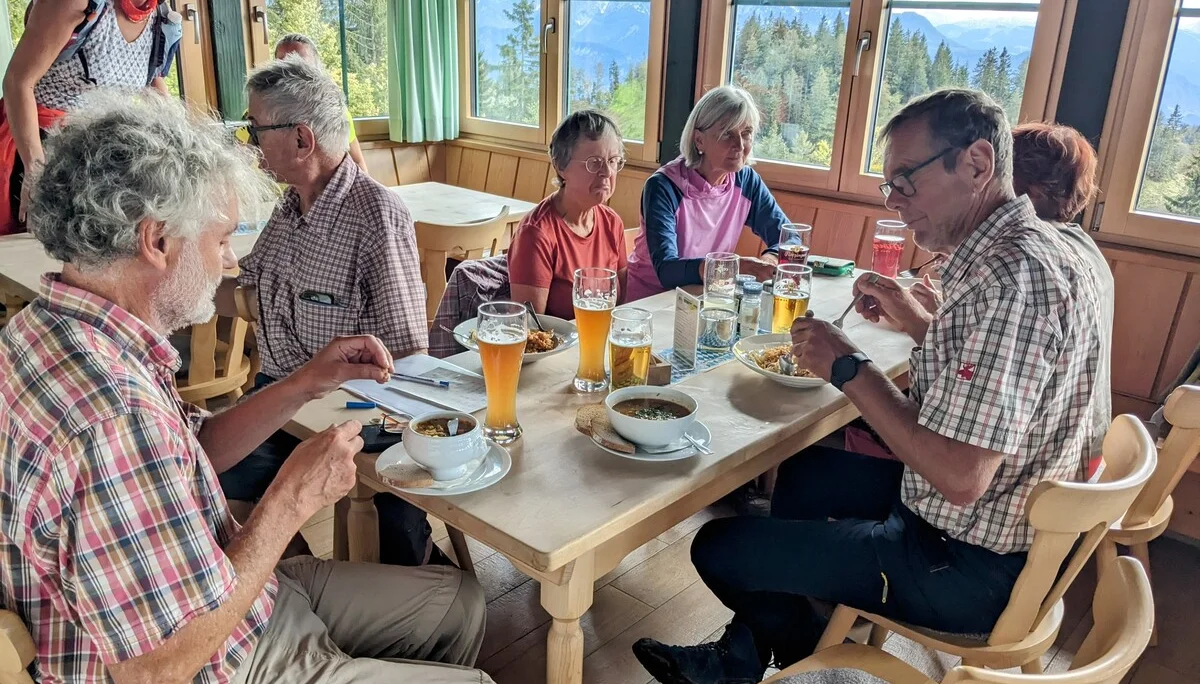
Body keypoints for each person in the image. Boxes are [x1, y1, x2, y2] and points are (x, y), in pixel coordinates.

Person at [0, 90, 491, 684]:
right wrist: (292, 500)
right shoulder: (112, 415)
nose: (231, 262)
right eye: (222, 238)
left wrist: (307, 381)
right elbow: (158, 668)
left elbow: (188, 454)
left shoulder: (52, 328)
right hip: (215, 656)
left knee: (462, 606)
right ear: (156, 241)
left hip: (226, 591)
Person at [632, 89, 1108, 683]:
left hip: (964, 563)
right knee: (805, 472)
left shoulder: (1010, 282)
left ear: (978, 164)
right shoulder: (1041, 252)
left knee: (717, 548)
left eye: (905, 181)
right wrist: (914, 319)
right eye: (890, 186)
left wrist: (848, 367)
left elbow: (961, 477)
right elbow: (997, 377)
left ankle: (821, 663)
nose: (896, 203)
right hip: (1006, 527)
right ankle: (744, 655)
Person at [221, 56, 436, 566]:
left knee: (394, 548)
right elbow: (245, 286)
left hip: (352, 411)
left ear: (301, 139)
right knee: (211, 491)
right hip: (281, 397)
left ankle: (380, 581)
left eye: (256, 131)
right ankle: (298, 584)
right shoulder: (291, 206)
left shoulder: (376, 214)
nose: (250, 144)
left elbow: (408, 352)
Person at [0, 0, 178, 234]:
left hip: (99, 156)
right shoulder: (78, 3)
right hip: (43, 149)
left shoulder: (162, 19)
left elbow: (155, 90)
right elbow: (18, 82)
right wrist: (36, 173)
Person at [625, 85, 787, 302]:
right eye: (726, 134)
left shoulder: (746, 181)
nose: (739, 145)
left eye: (746, 133)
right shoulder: (664, 186)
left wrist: (770, 260)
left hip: (708, 299)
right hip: (652, 302)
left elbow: (789, 237)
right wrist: (733, 267)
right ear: (699, 140)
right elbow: (667, 270)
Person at [508, 110, 628, 318]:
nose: (607, 173)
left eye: (613, 161)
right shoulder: (536, 233)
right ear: (561, 166)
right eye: (594, 163)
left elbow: (621, 305)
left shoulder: (612, 223)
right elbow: (531, 328)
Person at [234, 33, 368, 172]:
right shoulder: (256, 116)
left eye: (300, 65)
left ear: (317, 69)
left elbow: (357, 161)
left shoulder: (336, 113)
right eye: (283, 66)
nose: (290, 74)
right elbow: (238, 166)